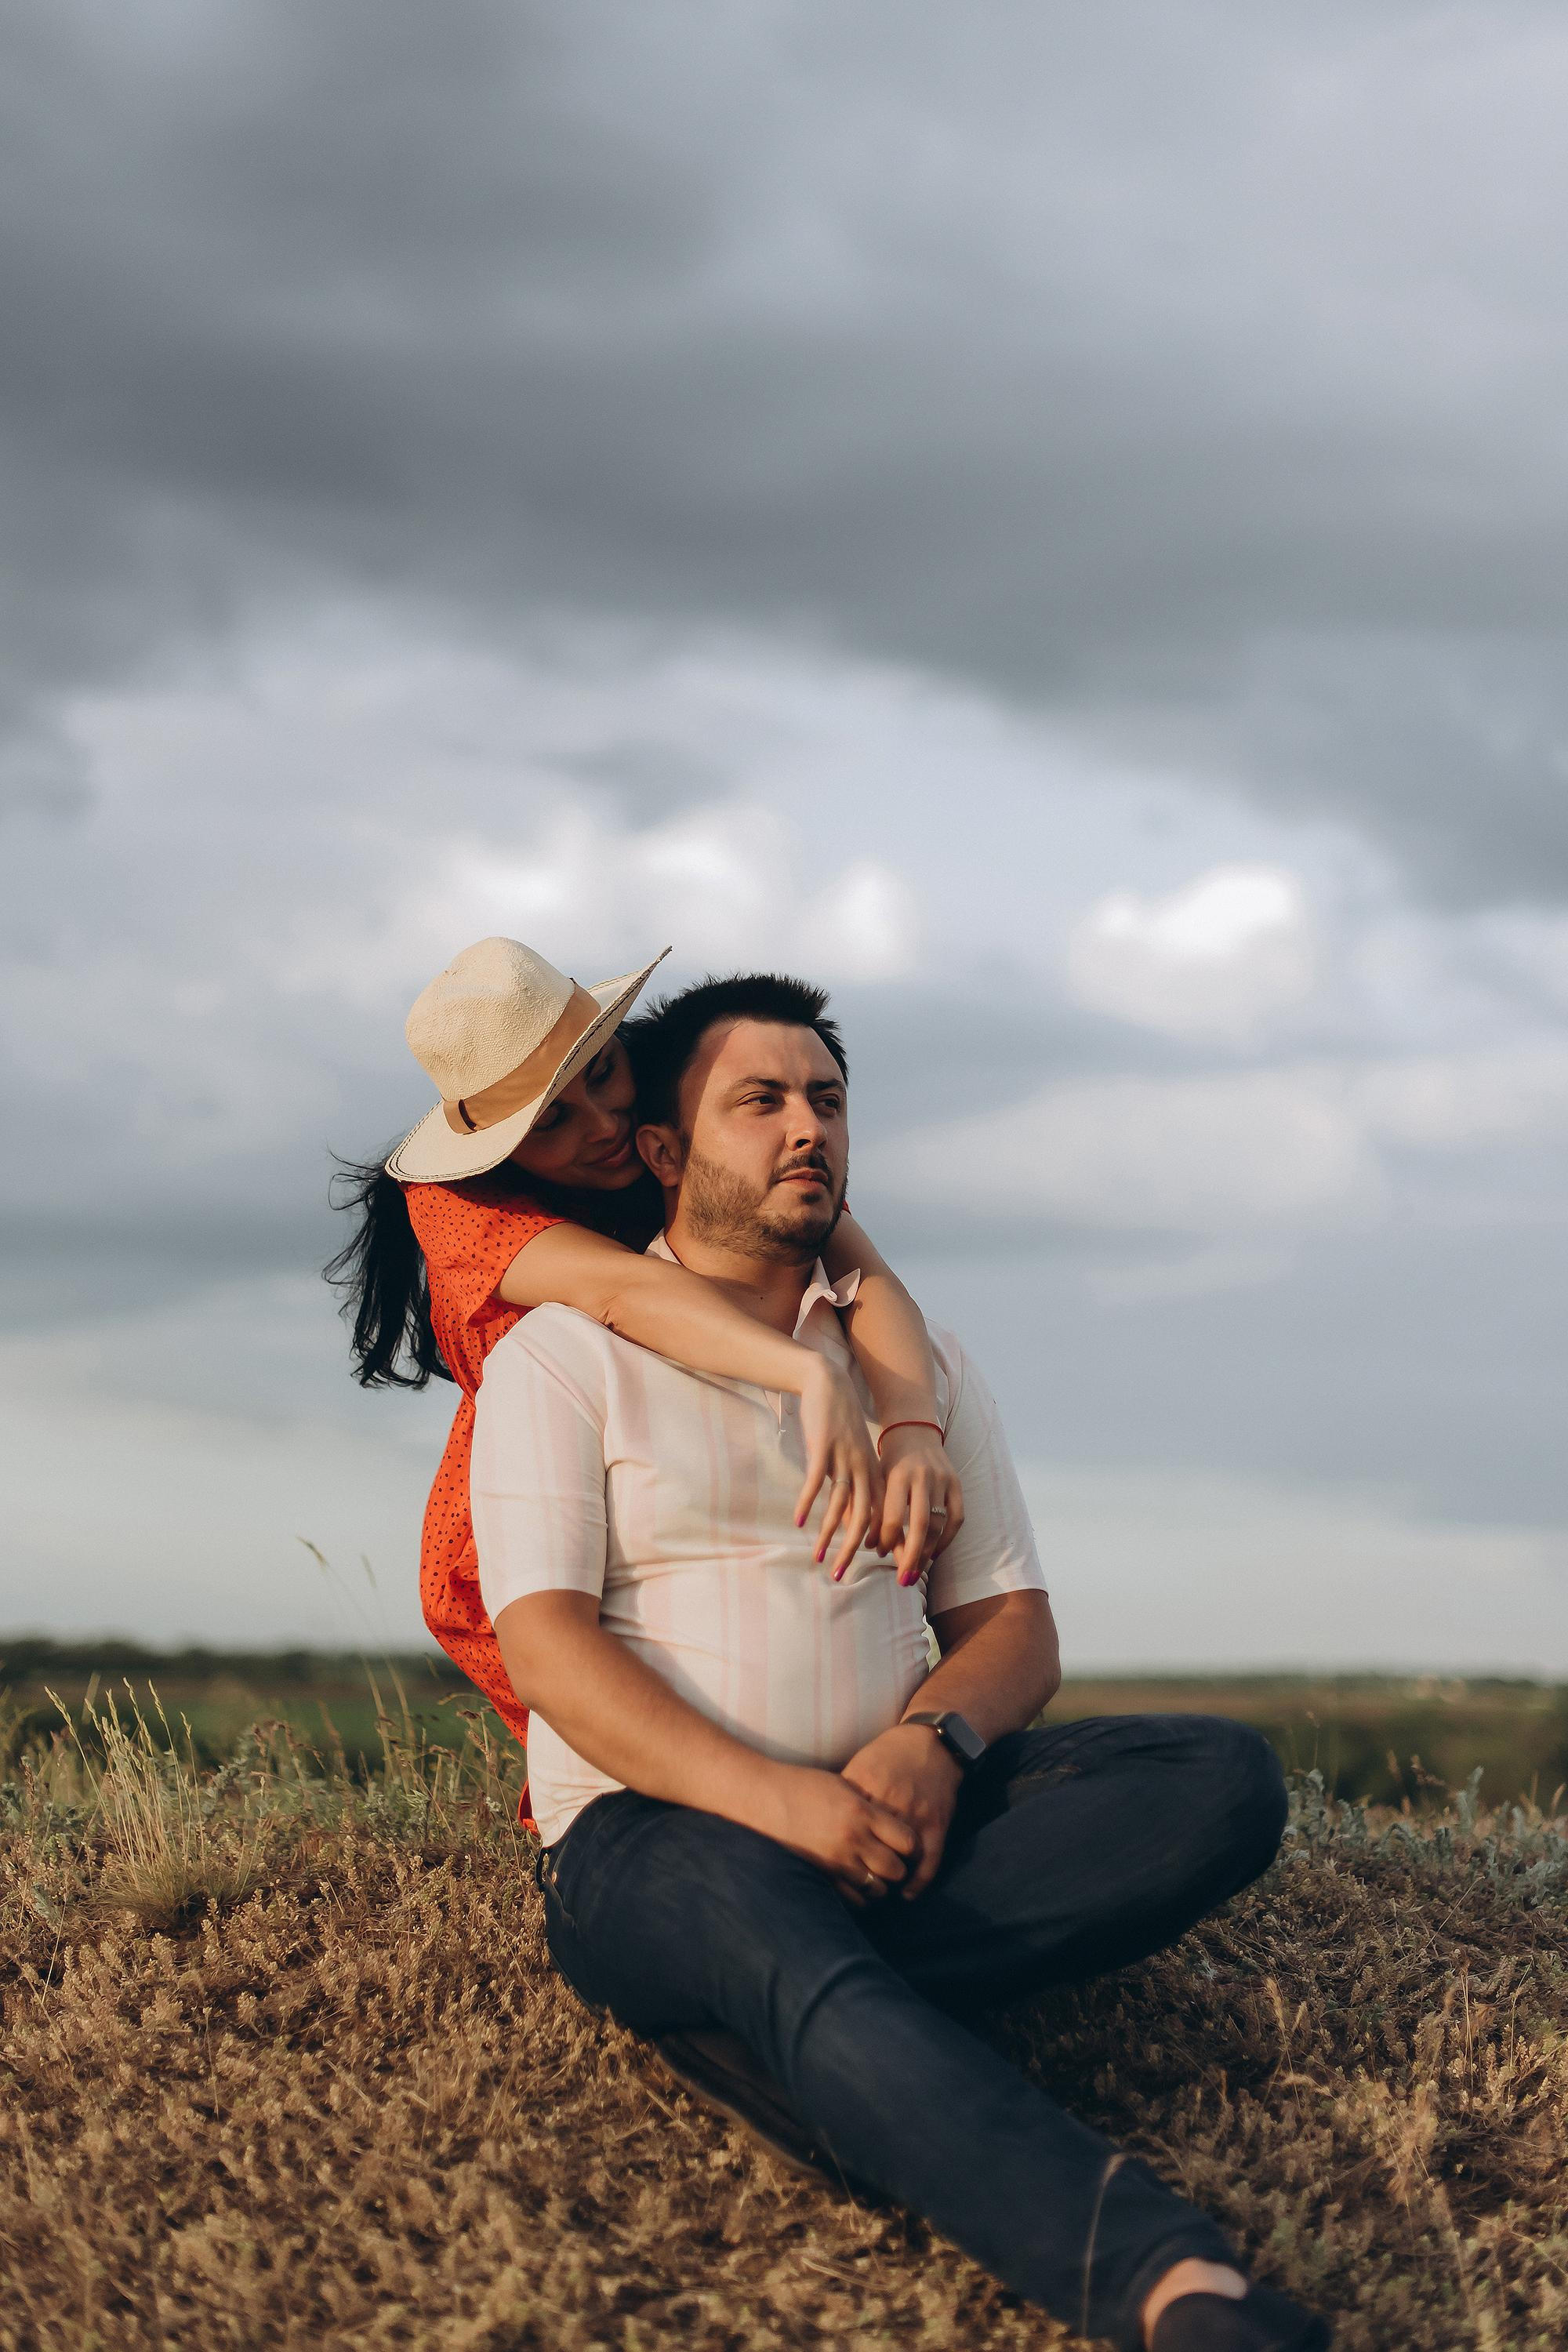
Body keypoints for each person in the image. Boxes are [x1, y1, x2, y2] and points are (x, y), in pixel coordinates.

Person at [469, 972, 1330, 2352]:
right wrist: (780, 1802)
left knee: (1218, 1775)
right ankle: (1176, 2287)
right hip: (658, 1842)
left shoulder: (911, 1364)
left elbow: (1014, 1629)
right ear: (664, 1152)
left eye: (827, 1099)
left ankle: (776, 2024)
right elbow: (551, 1652)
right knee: (744, 1899)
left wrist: (931, 1749)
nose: (807, 1127)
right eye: (760, 1101)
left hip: (895, 1823)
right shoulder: (565, 1360)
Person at [326, 935, 964, 1764]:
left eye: (601, 1072)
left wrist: (912, 1428)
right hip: (541, 1507)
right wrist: (810, 1374)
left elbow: (866, 1277)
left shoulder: (694, 1151)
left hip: (687, 1457)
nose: (605, 1126)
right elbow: (628, 1294)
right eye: (551, 1120)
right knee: (619, 1753)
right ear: (500, 1148)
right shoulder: (462, 1209)